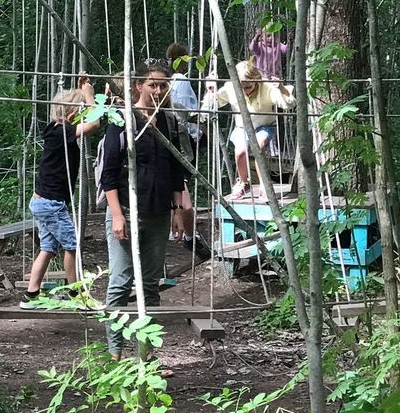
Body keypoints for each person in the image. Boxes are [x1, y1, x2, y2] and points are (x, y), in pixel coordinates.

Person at [99, 60, 192, 360]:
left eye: (163, 85)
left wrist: (177, 210)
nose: (158, 90)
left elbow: (175, 171)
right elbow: (108, 173)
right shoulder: (122, 119)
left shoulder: (168, 122)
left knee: (151, 284)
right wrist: (117, 214)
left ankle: (146, 353)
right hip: (126, 211)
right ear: (138, 85)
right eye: (153, 84)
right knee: (120, 281)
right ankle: (114, 353)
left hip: (158, 213)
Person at [20, 78, 103, 309]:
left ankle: (31, 295)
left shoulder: (56, 130)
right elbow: (94, 124)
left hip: (44, 202)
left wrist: (87, 93)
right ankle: (77, 295)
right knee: (72, 245)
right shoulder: (62, 131)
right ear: (72, 113)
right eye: (82, 112)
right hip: (50, 204)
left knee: (48, 248)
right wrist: (89, 95)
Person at [204, 60, 295, 201]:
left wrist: (281, 88)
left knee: (258, 146)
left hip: (264, 126)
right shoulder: (230, 87)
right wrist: (211, 90)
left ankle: (265, 185)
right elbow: (212, 105)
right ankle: (243, 182)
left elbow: (289, 104)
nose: (245, 90)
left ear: (256, 80)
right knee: (240, 152)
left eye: (249, 86)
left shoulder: (267, 87)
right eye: (241, 87)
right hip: (242, 128)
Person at [165, 43, 200, 245]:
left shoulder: (168, 80)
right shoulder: (181, 80)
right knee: (181, 183)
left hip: (171, 135)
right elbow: (186, 111)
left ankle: (175, 228)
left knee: (174, 184)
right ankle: (188, 234)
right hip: (184, 137)